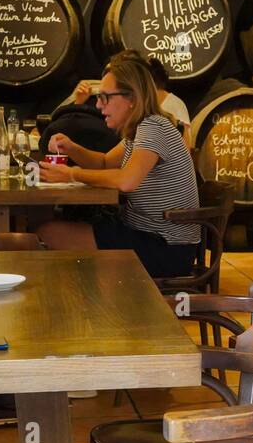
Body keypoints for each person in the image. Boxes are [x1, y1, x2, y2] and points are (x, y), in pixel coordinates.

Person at [36, 51, 201, 279]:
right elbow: (104, 163)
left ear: (131, 98)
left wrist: (71, 174)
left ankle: (88, 301)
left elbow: (127, 181)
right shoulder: (141, 129)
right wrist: (72, 147)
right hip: (147, 234)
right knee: (61, 229)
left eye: (105, 97)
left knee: (49, 232)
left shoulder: (154, 127)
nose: (98, 105)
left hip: (165, 246)